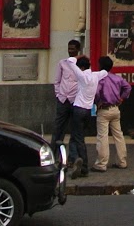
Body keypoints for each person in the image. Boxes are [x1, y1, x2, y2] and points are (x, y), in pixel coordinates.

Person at [93, 56, 131, 172]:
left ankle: (101, 163)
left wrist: (97, 102)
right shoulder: (116, 78)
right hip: (115, 109)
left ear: (101, 66)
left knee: (102, 136)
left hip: (104, 109)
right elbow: (128, 87)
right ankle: (122, 161)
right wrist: (122, 98)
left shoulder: (100, 79)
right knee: (118, 135)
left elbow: (96, 92)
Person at [66, 56, 101, 177]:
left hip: (78, 109)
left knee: (77, 138)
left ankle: (81, 163)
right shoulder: (96, 76)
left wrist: (76, 58)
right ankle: (80, 162)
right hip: (88, 111)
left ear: (81, 67)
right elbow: (105, 72)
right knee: (80, 137)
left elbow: (70, 61)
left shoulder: (81, 75)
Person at [52, 40, 82, 171]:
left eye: (73, 49)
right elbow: (57, 81)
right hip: (63, 100)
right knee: (58, 129)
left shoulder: (82, 63)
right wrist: (59, 95)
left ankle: (72, 159)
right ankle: (53, 156)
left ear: (78, 50)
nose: (70, 51)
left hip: (76, 100)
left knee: (75, 131)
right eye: (69, 48)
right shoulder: (62, 63)